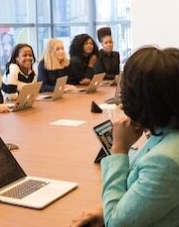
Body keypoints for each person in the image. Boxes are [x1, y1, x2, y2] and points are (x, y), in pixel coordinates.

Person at [70, 46, 179, 227]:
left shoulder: (165, 159)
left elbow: (116, 223)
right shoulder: (167, 131)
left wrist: (119, 149)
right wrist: (106, 209)